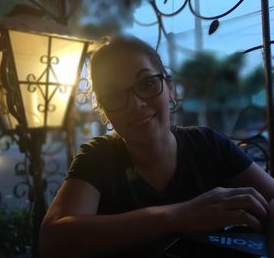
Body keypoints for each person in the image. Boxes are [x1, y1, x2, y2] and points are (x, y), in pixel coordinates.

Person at [40, 35, 274, 257]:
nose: (136, 104)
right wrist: (179, 215)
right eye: (113, 94)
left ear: (170, 88)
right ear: (104, 111)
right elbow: (54, 240)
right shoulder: (98, 157)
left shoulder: (208, 145)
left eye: (147, 83)